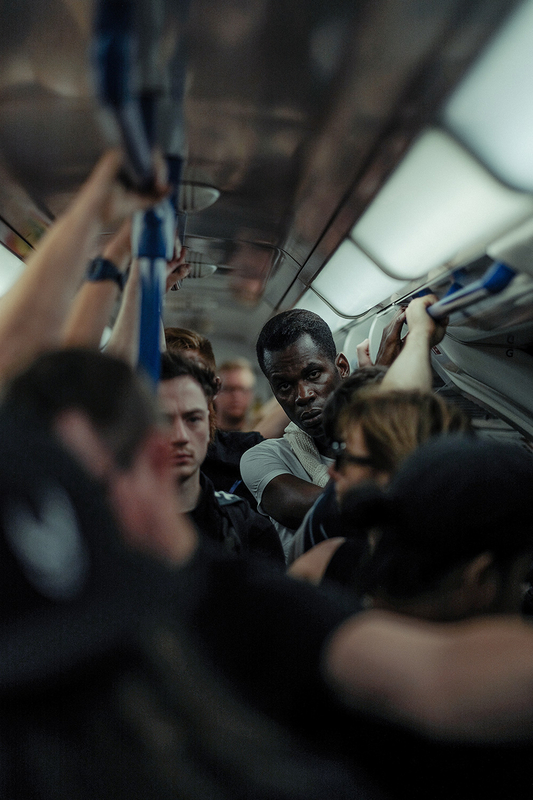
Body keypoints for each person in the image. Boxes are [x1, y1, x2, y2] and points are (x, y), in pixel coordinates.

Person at [241, 296, 446, 557]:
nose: (303, 395)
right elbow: (333, 512)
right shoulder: (263, 457)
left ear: (342, 367)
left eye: (313, 374)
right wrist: (378, 388)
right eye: (284, 386)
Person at [288, 387, 469, 567]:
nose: (332, 472)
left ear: (396, 469)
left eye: (345, 456)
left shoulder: (321, 569)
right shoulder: (322, 564)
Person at [159, 351, 284, 562]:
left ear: (209, 425)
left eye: (193, 419)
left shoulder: (245, 525)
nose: (180, 436)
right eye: (164, 420)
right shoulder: (113, 522)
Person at [214, 357, 257, 432]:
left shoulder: (262, 438)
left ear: (251, 394)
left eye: (243, 389)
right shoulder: (203, 438)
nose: (236, 396)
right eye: (228, 389)